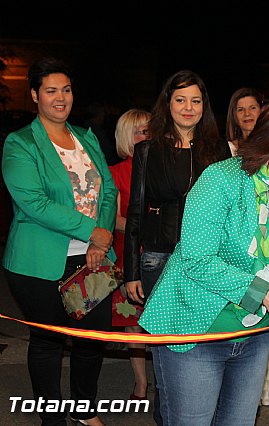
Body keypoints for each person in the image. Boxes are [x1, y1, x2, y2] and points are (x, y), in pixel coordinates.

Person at [137, 93, 269, 425]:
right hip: (195, 329)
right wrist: (265, 293)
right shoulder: (220, 180)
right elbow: (198, 260)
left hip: (253, 335)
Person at [2, 57, 117, 426]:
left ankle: (85, 411)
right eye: (51, 90)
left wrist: (100, 240)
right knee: (48, 344)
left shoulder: (86, 137)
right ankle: (51, 419)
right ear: (35, 95)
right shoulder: (20, 143)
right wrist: (90, 231)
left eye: (66, 90)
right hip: (39, 262)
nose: (60, 98)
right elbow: (34, 202)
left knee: (91, 339)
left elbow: (110, 189)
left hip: (92, 259)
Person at [123, 69, 230, 423]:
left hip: (208, 259)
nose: (188, 107)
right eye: (180, 99)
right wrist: (131, 272)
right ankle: (167, 413)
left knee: (204, 339)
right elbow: (135, 213)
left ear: (205, 106)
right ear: (167, 104)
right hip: (160, 258)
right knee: (168, 345)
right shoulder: (148, 150)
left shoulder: (220, 150)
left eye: (196, 100)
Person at [108, 108, 151, 400]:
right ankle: (141, 380)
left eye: (149, 131)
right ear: (126, 136)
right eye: (139, 132)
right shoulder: (115, 173)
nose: (146, 137)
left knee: (163, 318)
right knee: (133, 321)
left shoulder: (162, 166)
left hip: (163, 252)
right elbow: (113, 219)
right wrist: (149, 227)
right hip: (130, 253)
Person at [225, 87, 265, 157]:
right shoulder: (226, 149)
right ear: (234, 115)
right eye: (240, 110)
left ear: (261, 110)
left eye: (252, 108)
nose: (247, 114)